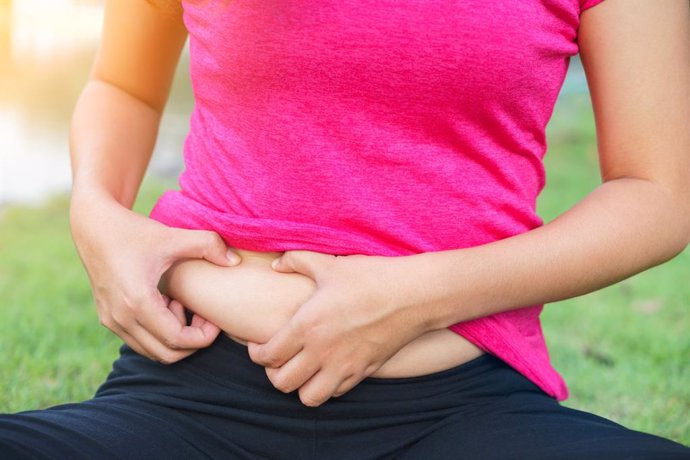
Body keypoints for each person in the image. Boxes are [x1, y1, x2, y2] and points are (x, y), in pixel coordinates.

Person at [1, 0, 689, 458]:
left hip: (461, 407)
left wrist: (416, 294)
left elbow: (658, 193)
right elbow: (125, 85)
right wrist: (95, 211)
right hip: (188, 390)